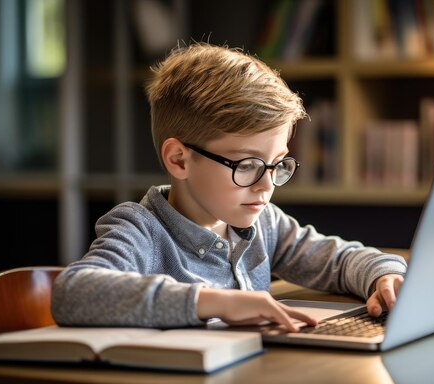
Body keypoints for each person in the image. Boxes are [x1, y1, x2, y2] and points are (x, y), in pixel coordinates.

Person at [51, 42, 406, 332]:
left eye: (277, 163)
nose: (266, 185)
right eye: (247, 165)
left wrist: (384, 274)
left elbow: (340, 260)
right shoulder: (141, 230)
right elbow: (73, 292)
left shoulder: (263, 224)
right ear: (179, 160)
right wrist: (215, 302)